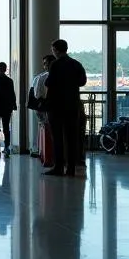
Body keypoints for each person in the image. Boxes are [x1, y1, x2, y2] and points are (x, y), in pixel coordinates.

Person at [43, 39, 87, 177]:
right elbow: (82, 81)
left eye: (53, 50)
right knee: (71, 137)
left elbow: (49, 82)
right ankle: (71, 168)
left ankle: (59, 167)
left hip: (56, 106)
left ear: (56, 50)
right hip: (73, 105)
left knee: (57, 137)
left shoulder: (55, 64)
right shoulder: (76, 64)